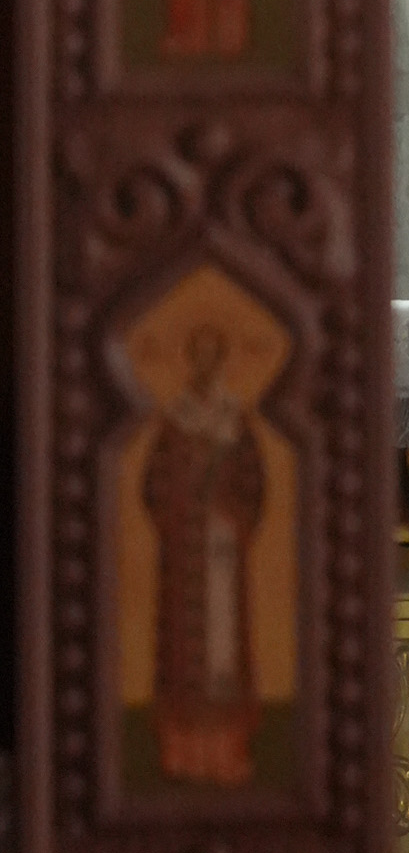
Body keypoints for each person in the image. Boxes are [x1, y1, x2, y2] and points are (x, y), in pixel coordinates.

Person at [143, 322, 265, 786]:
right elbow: (152, 484)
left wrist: (229, 514)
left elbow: (254, 485)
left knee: (222, 651)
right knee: (183, 650)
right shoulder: (175, 420)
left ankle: (227, 754)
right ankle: (181, 754)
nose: (206, 365)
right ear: (193, 360)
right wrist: (180, 512)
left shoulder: (235, 421)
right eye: (200, 355)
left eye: (214, 356)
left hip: (223, 552)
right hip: (183, 555)